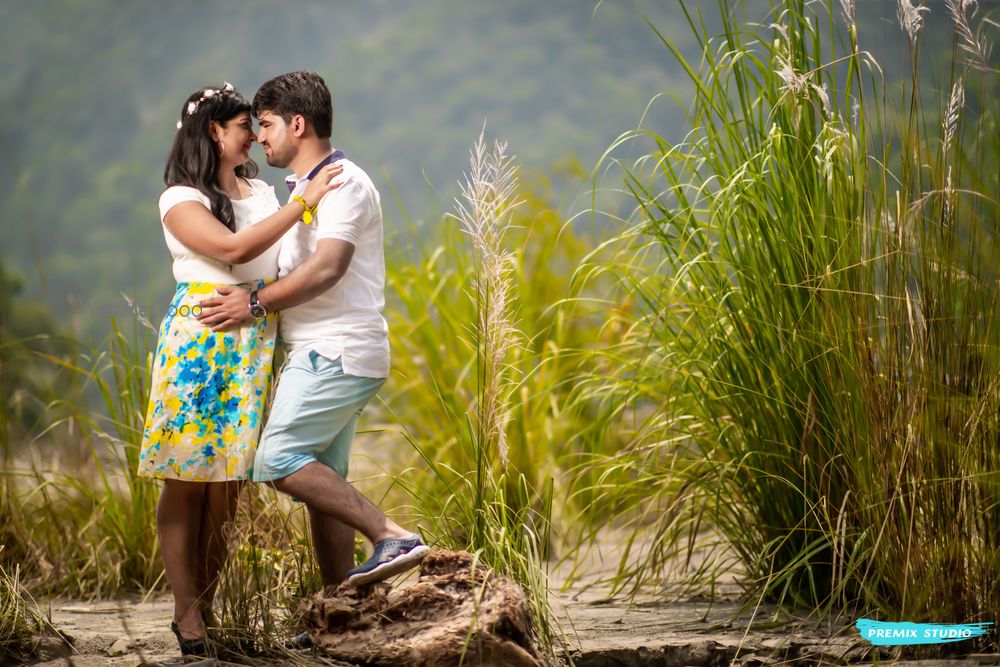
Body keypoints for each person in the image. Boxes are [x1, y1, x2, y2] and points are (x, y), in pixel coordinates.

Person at [197, 71, 429, 601]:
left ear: (298, 123)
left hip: (336, 350)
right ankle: (344, 606)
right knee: (325, 480)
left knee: (276, 459)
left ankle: (391, 535)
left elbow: (328, 269)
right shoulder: (304, 189)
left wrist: (252, 305)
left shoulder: (344, 182)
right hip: (323, 349)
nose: (261, 137)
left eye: (269, 124)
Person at [138, 82, 343, 657]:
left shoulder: (259, 188)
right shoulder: (180, 197)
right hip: (200, 340)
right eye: (242, 125)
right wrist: (304, 202)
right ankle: (187, 614)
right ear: (213, 132)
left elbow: (279, 254)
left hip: (251, 337)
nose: (254, 133)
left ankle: (206, 602)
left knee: (227, 486)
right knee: (186, 479)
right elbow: (232, 251)